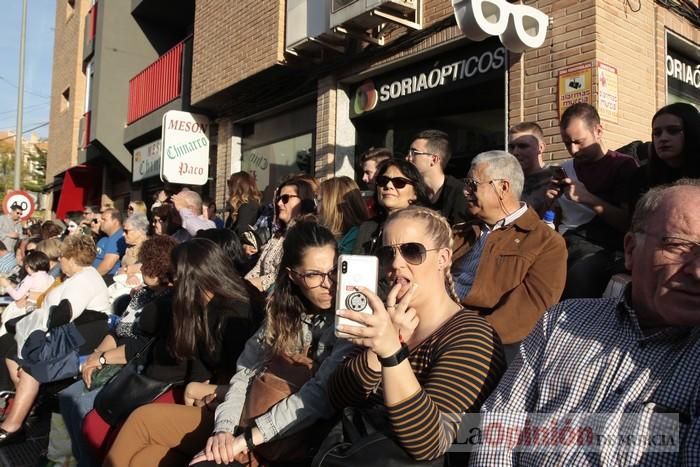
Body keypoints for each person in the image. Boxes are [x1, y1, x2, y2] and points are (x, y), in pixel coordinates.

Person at [470, 179, 700, 466]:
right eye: (678, 246)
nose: (697, 271)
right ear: (630, 250)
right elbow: (501, 422)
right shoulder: (561, 321)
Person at [105, 219, 353, 467]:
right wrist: (223, 430)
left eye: (333, 271)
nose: (328, 283)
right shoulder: (281, 313)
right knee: (146, 455)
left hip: (290, 440)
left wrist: (243, 439)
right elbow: (245, 372)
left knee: (147, 425)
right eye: (313, 275)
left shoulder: (347, 318)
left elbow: (317, 397)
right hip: (248, 417)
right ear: (293, 275)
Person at [329, 206, 505, 462]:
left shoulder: (472, 335)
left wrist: (391, 353)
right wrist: (380, 349)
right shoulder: (387, 320)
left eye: (412, 251)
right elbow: (338, 396)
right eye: (388, 253)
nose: (397, 264)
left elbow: (430, 441)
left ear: (444, 258)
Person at [58, 236, 177, 467]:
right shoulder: (141, 294)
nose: (141, 268)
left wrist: (101, 359)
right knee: (67, 397)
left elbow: (141, 346)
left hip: (134, 367)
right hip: (113, 359)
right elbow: (116, 331)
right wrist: (95, 356)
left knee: (82, 406)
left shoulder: (167, 302)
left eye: (145, 263)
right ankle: (80, 460)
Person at [452, 151, 567, 361]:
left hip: (483, 346)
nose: (465, 191)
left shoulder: (546, 242)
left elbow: (526, 312)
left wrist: (465, 338)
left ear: (503, 187)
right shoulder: (460, 232)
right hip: (432, 325)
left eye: (472, 183)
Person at [0, 235, 110, 445]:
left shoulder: (83, 280)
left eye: (62, 258)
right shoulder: (80, 276)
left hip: (81, 335)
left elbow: (63, 314)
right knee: (9, 350)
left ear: (71, 257)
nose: (60, 262)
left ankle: (13, 426)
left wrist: (31, 325)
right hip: (72, 332)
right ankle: (27, 405)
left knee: (31, 366)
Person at [545, 103, 638, 298]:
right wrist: (552, 201)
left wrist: (586, 198)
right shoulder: (565, 168)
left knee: (580, 273)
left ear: (598, 130)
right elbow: (555, 219)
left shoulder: (622, 166)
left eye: (579, 141)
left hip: (601, 248)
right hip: (565, 241)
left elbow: (627, 223)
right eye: (566, 143)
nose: (573, 150)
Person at [244, 175, 316, 292]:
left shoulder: (307, 235)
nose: (279, 203)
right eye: (279, 198)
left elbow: (286, 275)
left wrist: (254, 285)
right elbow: (259, 268)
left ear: (302, 201)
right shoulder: (278, 234)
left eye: (286, 198)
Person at [353, 158, 430, 256]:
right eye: (383, 180)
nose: (388, 186)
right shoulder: (367, 228)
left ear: (415, 193)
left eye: (399, 182)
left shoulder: (425, 228)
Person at [629, 102, 700, 207]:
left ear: (691, 131)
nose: (663, 138)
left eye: (673, 131)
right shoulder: (641, 176)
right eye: (657, 133)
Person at [406, 129, 470, 225]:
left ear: (434, 159)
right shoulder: (414, 192)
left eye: (414, 153)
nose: (407, 158)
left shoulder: (459, 193)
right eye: (408, 153)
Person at [508, 122, 553, 215]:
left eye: (523, 146)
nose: (515, 152)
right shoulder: (507, 181)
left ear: (541, 147)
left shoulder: (555, 179)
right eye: (511, 147)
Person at [318, 176, 369, 254]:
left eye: (319, 200)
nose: (315, 206)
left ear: (333, 205)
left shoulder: (357, 237)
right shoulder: (328, 235)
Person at [224, 171, 262, 236]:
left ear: (237, 187)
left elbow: (241, 232)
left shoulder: (248, 207)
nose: (228, 187)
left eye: (230, 183)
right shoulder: (238, 206)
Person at [92, 209, 127, 280]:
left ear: (115, 222)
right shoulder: (106, 238)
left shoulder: (118, 238)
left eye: (104, 219)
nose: (100, 221)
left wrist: (91, 278)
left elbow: (107, 266)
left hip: (104, 278)